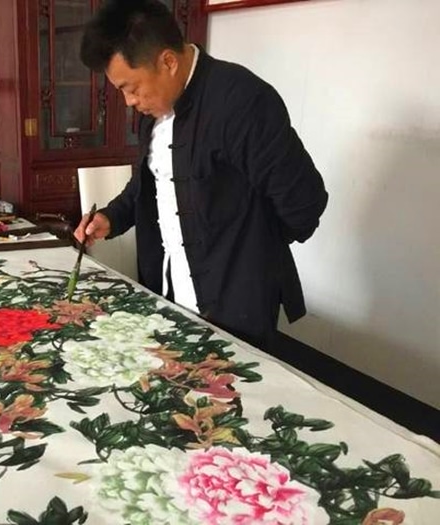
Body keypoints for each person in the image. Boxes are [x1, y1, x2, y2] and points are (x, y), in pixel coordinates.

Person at [74, 0, 328, 351]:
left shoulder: (241, 100)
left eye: (131, 88)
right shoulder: (153, 112)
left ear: (168, 62)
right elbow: (148, 186)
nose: (129, 101)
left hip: (237, 309)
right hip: (170, 294)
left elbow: (304, 202)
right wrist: (110, 217)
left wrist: (253, 245)